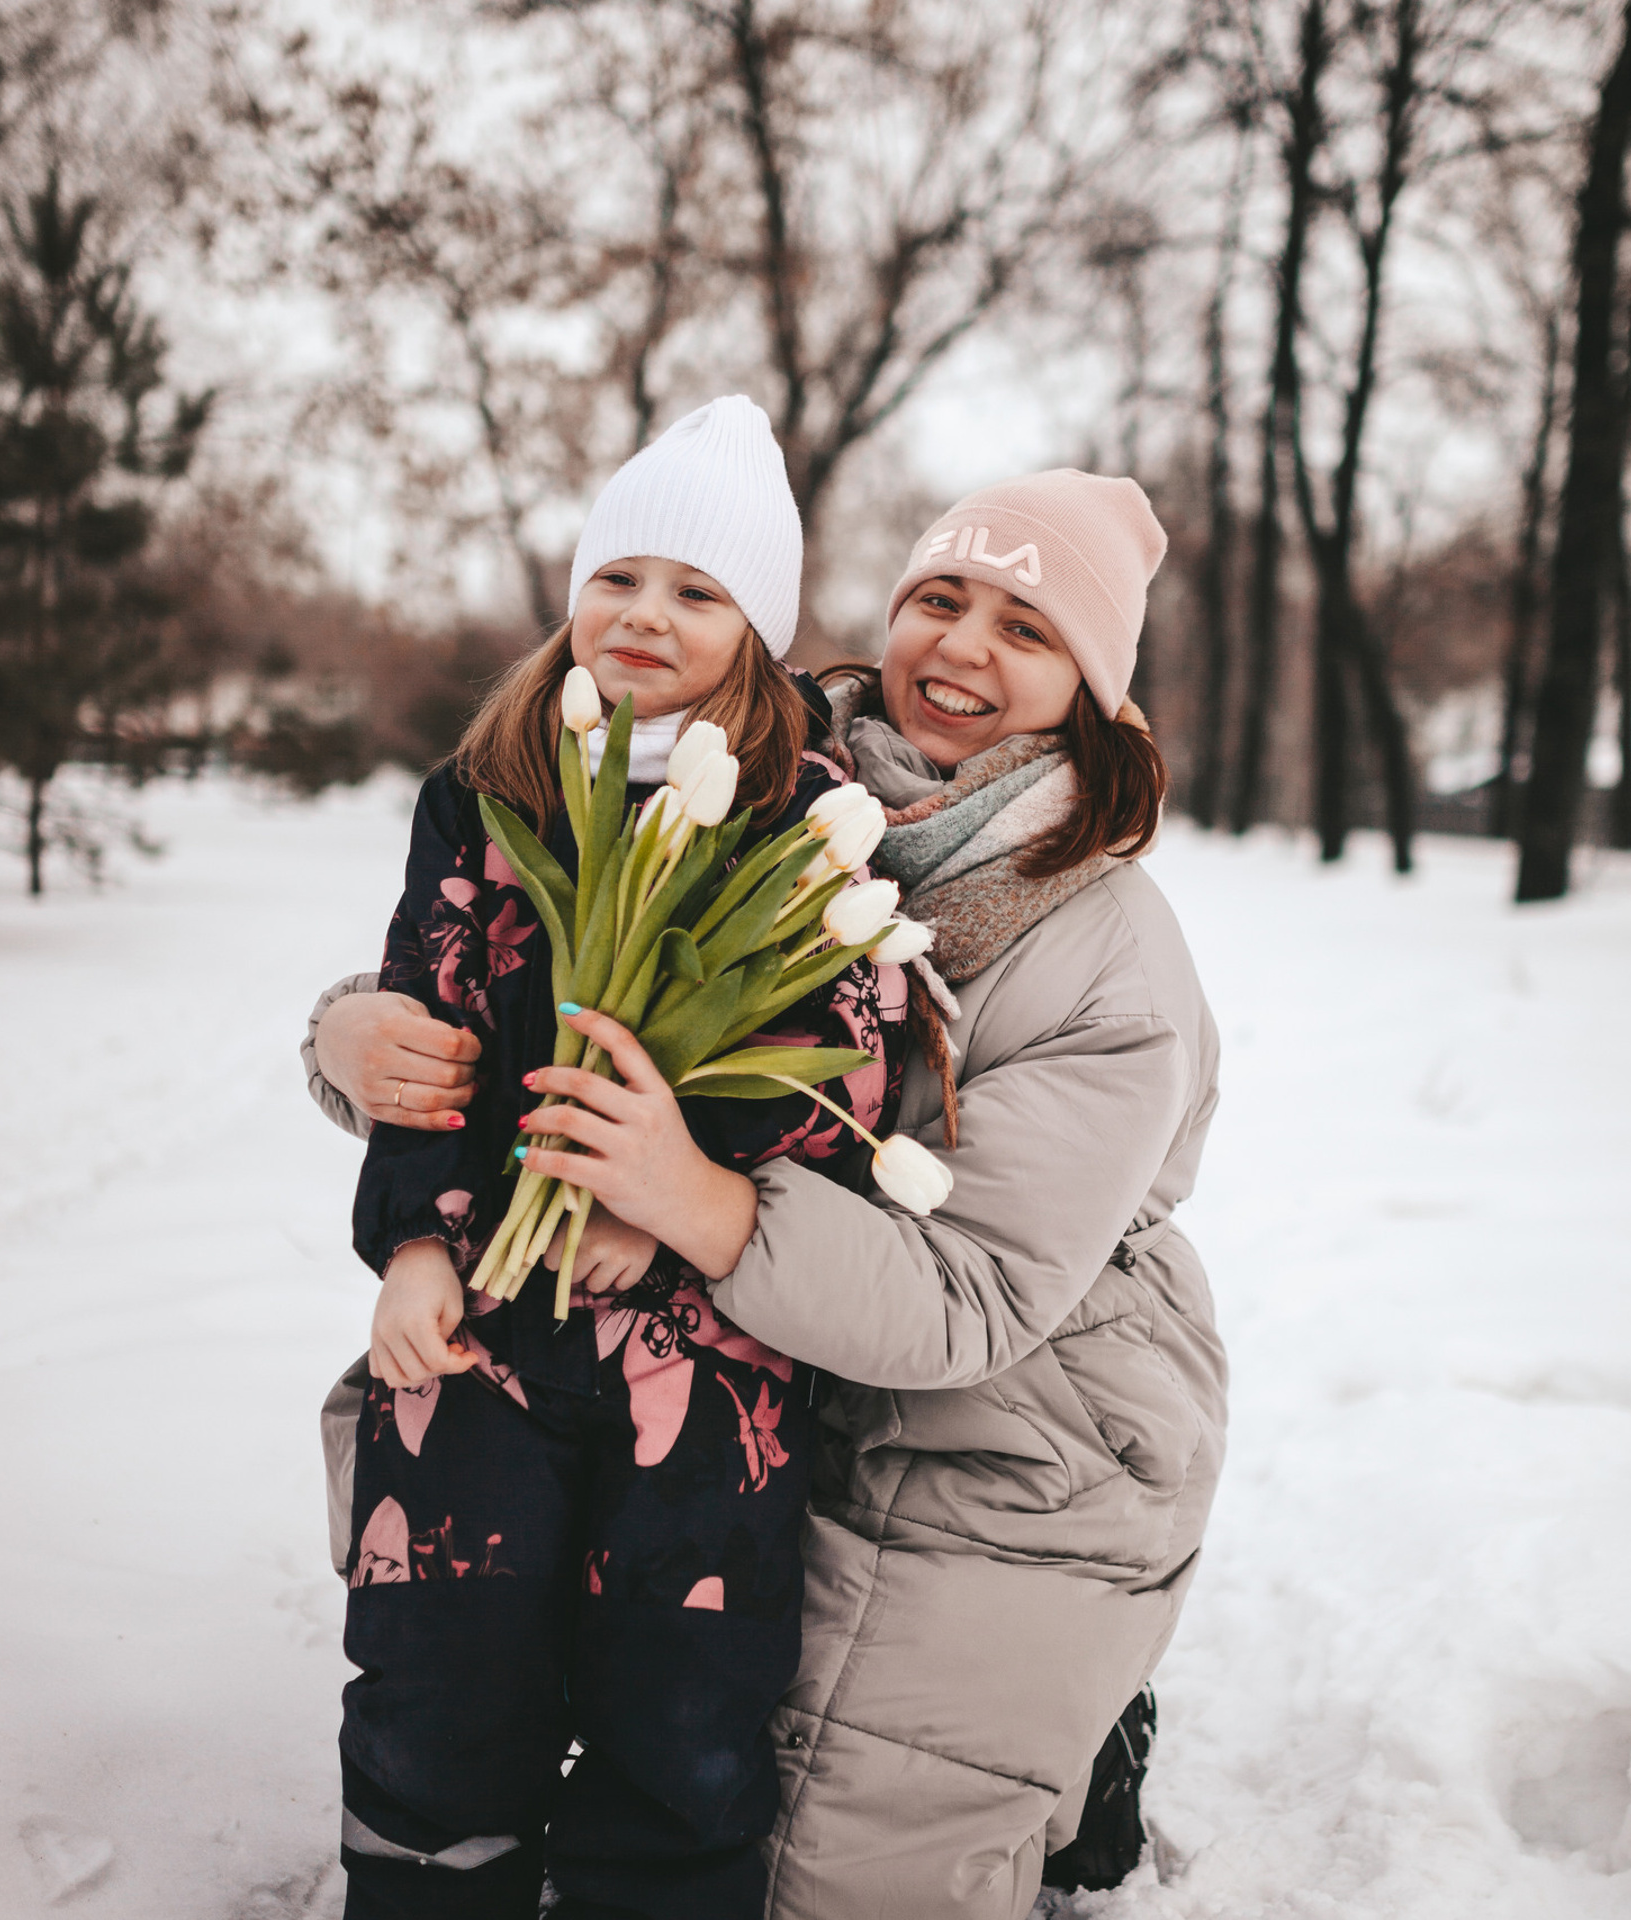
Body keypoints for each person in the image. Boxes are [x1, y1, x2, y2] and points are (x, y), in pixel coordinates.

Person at [308, 467, 1227, 1919]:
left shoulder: (1109, 958)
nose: (964, 650)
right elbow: (530, 963)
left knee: (791, 1872)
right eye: (941, 598)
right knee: (470, 1567)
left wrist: (690, 1204)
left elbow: (974, 1294)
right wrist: (355, 1033)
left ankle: (1075, 1732)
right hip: (744, 1334)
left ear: (1093, 691)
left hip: (1004, 1399)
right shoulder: (752, 763)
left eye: (1028, 629)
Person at [329, 394, 909, 1920]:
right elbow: (430, 1022)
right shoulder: (490, 788)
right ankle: (427, 1878)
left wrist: (671, 1206)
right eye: (620, 577)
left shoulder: (811, 819)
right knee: (440, 1656)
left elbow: (840, 1042)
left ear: (760, 633)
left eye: (699, 592)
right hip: (484, 1325)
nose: (646, 615)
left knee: (689, 1689)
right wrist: (414, 1245)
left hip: (707, 1357)